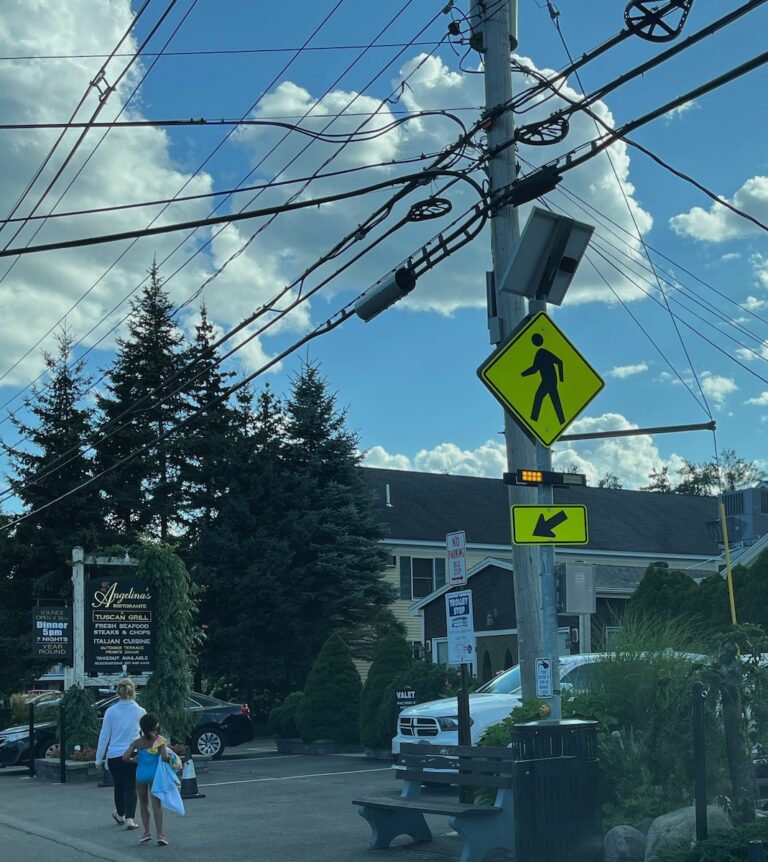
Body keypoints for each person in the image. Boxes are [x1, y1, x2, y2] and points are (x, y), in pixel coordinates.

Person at [95, 678, 146, 830]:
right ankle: (131, 819)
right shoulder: (140, 711)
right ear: (133, 691)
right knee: (131, 786)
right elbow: (145, 734)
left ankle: (120, 814)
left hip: (114, 755)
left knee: (118, 785)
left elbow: (104, 736)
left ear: (118, 692)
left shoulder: (111, 712)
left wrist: (98, 759)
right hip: (133, 753)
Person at [124, 713, 171, 846]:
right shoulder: (159, 740)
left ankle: (146, 832)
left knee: (143, 803)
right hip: (154, 774)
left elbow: (124, 757)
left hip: (141, 774)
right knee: (156, 805)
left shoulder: (137, 742)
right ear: (155, 726)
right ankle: (160, 834)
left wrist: (134, 760)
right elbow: (166, 757)